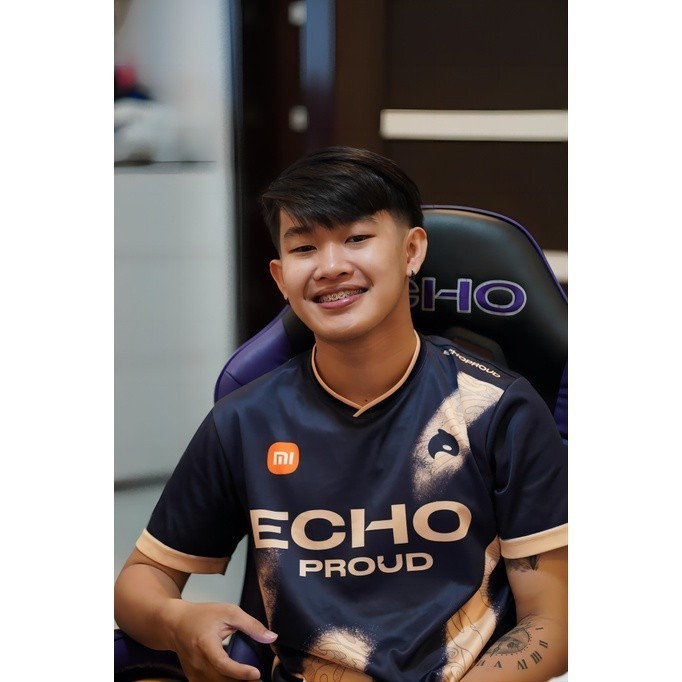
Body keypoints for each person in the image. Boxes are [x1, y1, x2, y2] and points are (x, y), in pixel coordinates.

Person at [114, 146, 568, 682]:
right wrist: (178, 621)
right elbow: (141, 582)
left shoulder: (497, 409)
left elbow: (552, 623)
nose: (331, 267)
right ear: (281, 277)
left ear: (411, 250)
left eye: (356, 239)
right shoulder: (245, 420)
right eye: (305, 247)